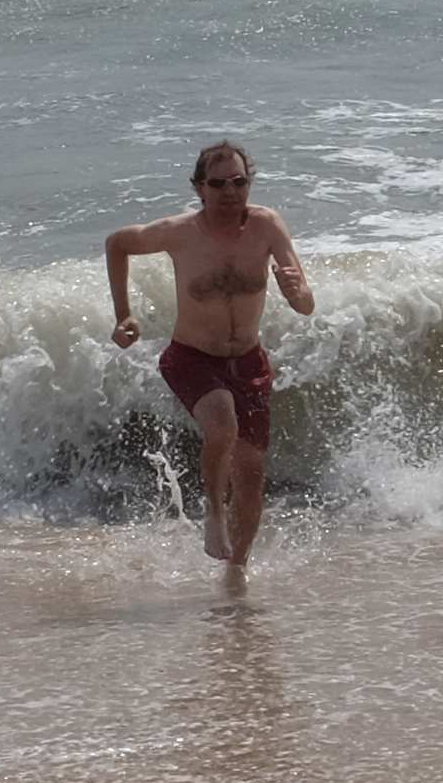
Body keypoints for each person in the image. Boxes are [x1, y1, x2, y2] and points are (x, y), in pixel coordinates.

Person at [106, 139, 317, 579]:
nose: (230, 191)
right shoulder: (180, 232)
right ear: (200, 188)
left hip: (249, 363)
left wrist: (296, 292)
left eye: (239, 182)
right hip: (191, 358)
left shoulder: (266, 226)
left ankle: (235, 573)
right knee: (222, 423)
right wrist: (124, 315)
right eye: (218, 184)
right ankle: (214, 514)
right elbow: (117, 243)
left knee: (251, 475)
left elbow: (305, 304)